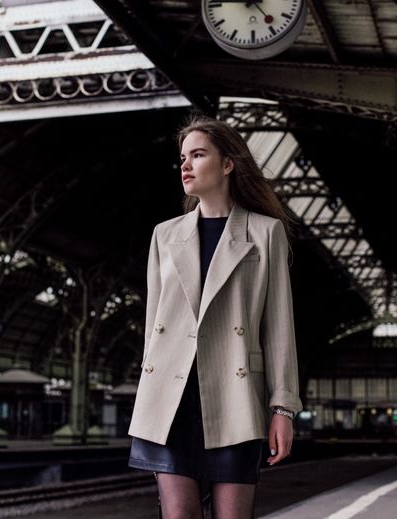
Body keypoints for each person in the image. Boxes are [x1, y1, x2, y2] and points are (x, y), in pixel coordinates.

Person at [128, 115, 302, 518]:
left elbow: (278, 329)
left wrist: (282, 408)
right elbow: (155, 325)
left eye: (198, 154)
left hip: (234, 398)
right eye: (183, 157)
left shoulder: (265, 233)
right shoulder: (164, 235)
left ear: (227, 164)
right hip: (169, 401)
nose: (186, 165)